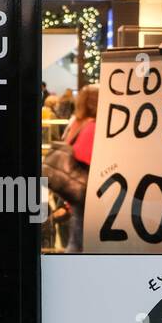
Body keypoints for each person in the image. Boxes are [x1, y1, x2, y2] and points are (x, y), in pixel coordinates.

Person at [63, 84, 98, 253]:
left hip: (73, 188)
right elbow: (87, 157)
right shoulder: (93, 126)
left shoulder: (77, 122)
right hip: (87, 190)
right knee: (79, 242)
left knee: (76, 236)